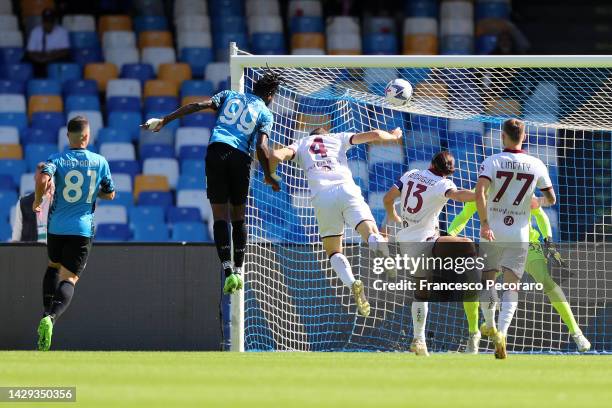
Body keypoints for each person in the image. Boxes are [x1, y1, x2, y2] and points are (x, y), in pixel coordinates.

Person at [142, 70, 283, 295]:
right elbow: (262, 147)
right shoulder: (265, 113)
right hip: (240, 158)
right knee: (238, 216)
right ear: (270, 96)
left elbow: (197, 105)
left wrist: (164, 120)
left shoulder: (229, 95)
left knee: (220, 215)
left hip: (216, 152)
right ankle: (238, 269)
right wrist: (268, 175)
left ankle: (227, 272)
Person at [269, 127, 402, 317]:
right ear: (326, 133)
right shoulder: (338, 137)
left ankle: (352, 283)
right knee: (371, 232)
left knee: (334, 250)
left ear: (311, 136)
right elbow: (375, 135)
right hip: (346, 189)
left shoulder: (301, 144)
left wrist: (271, 175)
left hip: (322, 197)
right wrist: (393, 136)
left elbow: (275, 154)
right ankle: (381, 250)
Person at [448, 199, 591, 353]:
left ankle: (577, 334)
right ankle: (473, 334)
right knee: (473, 286)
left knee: (546, 281)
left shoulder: (522, 189)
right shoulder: (483, 191)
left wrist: (548, 241)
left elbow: (540, 215)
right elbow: (464, 216)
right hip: (495, 246)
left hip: (527, 245)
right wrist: (448, 236)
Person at [475, 118, 556, 359]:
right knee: (512, 286)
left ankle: (489, 324)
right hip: (519, 232)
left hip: (494, 230)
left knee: (488, 281)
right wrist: (537, 202)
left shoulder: (492, 161)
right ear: (525, 137)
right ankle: (502, 332)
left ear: (502, 136)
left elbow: (479, 192)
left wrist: (485, 223)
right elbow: (551, 199)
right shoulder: (536, 164)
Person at [383, 151, 476, 356]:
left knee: (421, 295)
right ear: (449, 172)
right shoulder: (442, 184)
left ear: (432, 163)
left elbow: (388, 198)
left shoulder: (411, 174)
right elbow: (459, 196)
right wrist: (481, 194)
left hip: (407, 242)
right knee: (468, 245)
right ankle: (479, 285)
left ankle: (419, 340)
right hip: (427, 242)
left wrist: (392, 215)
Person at [35, 116, 115, 351]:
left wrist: (38, 200)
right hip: (81, 229)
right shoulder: (100, 162)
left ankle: (45, 312)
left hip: (57, 227)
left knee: (52, 266)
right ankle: (50, 318)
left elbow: (42, 179)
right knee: (69, 278)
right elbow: (110, 193)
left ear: (67, 135)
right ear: (87, 137)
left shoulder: (56, 159)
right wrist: (91, 193)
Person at [12, 163, 54, 243]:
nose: (43, 182)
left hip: (53, 252)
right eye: (40, 178)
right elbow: (16, 236)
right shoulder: (23, 203)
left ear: (51, 180)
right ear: (35, 178)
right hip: (30, 252)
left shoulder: (59, 202)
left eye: (46, 178)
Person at [26, 8, 70, 77]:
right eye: (46, 22)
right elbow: (30, 52)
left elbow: (65, 51)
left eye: (50, 22)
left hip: (55, 58)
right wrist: (40, 59)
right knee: (26, 60)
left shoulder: (62, 32)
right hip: (39, 58)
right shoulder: (35, 31)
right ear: (42, 22)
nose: (48, 25)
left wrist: (48, 57)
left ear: (54, 22)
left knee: (66, 59)